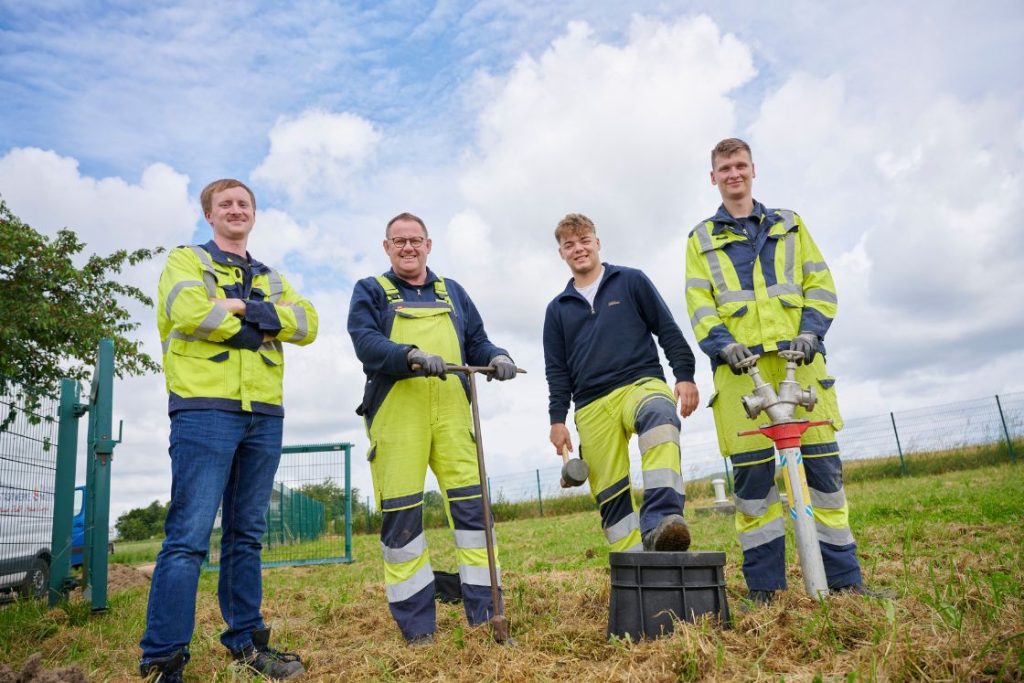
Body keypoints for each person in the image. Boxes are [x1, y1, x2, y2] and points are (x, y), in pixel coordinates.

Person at [140, 179, 317, 680]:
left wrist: (246, 307)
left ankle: (246, 643)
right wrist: (258, 328)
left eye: (244, 203)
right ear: (209, 215)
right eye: (225, 204)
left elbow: (308, 323)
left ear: (254, 215)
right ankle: (163, 659)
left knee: (246, 536)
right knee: (189, 537)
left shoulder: (270, 276)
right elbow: (189, 309)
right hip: (204, 409)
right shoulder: (187, 262)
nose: (235, 210)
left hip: (263, 413)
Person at [685, 138, 867, 604]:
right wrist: (724, 347)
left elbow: (820, 284)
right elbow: (700, 305)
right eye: (724, 168)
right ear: (713, 178)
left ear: (753, 170)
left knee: (825, 480)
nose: (733, 174)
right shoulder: (700, 239)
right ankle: (766, 593)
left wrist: (810, 332)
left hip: (800, 368)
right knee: (753, 491)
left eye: (740, 165)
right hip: (741, 377)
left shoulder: (790, 224)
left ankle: (845, 586)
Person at [347, 212, 518, 645]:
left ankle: (486, 615)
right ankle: (418, 628)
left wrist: (497, 356)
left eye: (416, 240)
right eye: (399, 241)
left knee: (474, 517)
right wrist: (411, 356)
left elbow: (476, 340)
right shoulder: (371, 291)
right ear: (386, 247)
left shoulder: (452, 292)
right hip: (397, 416)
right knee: (403, 524)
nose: (408, 247)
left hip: (454, 414)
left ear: (429, 245)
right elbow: (366, 344)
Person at [543, 213, 699, 554]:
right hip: (591, 404)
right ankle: (633, 564)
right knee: (610, 494)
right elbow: (556, 372)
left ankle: (662, 520)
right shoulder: (556, 310)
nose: (579, 249)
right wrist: (558, 421)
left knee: (659, 414)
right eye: (569, 244)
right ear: (562, 254)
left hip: (640, 383)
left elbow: (667, 329)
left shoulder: (631, 281)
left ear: (597, 243)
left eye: (585, 240)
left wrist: (684, 375)